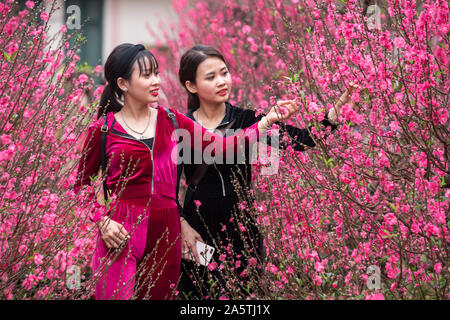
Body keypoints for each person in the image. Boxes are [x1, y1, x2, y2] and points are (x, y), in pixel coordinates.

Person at [73, 43, 299, 300]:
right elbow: (80, 187)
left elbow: (222, 147)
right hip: (121, 233)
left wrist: (265, 122)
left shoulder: (173, 121)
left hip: (166, 233)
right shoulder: (102, 130)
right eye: (147, 75)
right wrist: (102, 221)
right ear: (123, 84)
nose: (156, 81)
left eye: (157, 73)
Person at [177, 45, 360, 299]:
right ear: (191, 86)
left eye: (224, 73)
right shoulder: (181, 127)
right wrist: (182, 223)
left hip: (241, 228)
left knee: (243, 295)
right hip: (198, 230)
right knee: (200, 294)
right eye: (211, 77)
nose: (222, 81)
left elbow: (304, 140)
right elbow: (163, 186)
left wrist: (338, 109)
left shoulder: (247, 119)